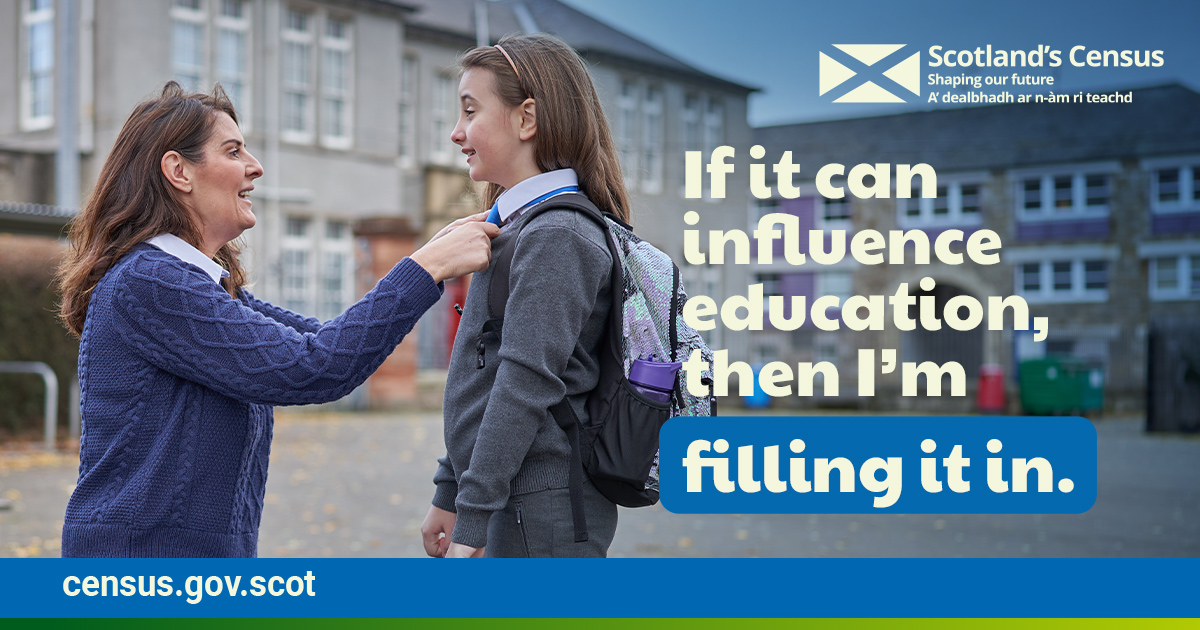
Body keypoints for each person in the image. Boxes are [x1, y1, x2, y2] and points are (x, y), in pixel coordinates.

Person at [55, 81, 498, 558]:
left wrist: (429, 260)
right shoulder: (153, 282)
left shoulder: (202, 286)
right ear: (178, 170)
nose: (256, 167)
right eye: (234, 151)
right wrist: (425, 267)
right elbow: (316, 367)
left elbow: (325, 341)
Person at [421, 34, 630, 558]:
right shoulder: (518, 228)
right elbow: (483, 374)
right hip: (515, 496)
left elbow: (524, 381)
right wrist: (450, 489)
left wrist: (472, 511)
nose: (456, 132)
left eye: (471, 111)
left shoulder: (557, 234)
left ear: (526, 118)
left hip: (544, 507)